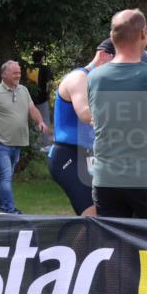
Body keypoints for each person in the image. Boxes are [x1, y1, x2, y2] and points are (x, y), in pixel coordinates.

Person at [83, 9, 147, 218]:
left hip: (106, 180)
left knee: (114, 246)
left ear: (112, 37)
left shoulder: (95, 77)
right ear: (143, 34)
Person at [47, 39, 113, 216]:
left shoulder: (102, 85)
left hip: (89, 157)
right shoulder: (79, 77)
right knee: (93, 216)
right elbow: (85, 113)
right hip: (68, 156)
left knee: (108, 215)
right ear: (104, 55)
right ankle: (71, 244)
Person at [0, 60, 48, 214]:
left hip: (16, 143)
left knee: (5, 176)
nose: (18, 75)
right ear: (4, 74)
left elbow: (32, 109)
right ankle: (10, 210)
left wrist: (41, 121)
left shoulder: (23, 90)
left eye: (19, 72)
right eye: (14, 73)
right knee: (6, 175)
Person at [25, 50, 53, 146]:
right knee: (44, 120)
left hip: (29, 99)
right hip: (42, 98)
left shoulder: (28, 69)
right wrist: (48, 94)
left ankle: (34, 144)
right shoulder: (45, 69)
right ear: (41, 58)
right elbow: (49, 83)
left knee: (32, 121)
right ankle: (44, 144)